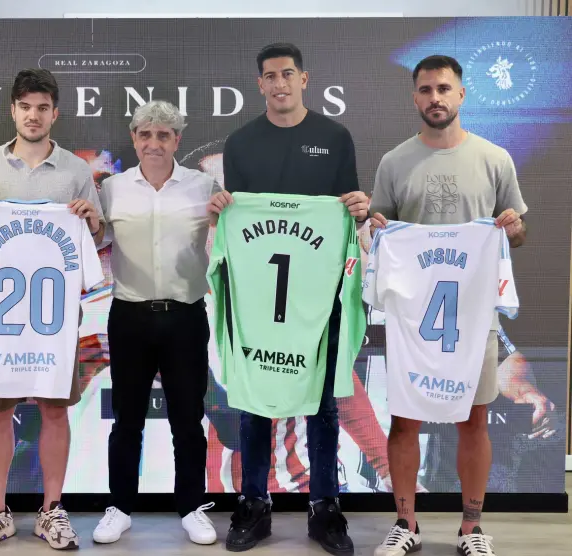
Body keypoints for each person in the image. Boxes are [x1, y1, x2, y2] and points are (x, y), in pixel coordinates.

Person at [206, 42, 369, 554]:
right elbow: (240, 220)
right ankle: (254, 504)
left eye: (287, 74)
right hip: (261, 296)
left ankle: (325, 508)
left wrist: (358, 208)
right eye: (270, 76)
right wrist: (223, 209)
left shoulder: (334, 137)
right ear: (260, 84)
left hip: (318, 295)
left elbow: (347, 214)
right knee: (255, 399)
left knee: (322, 403)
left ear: (304, 79)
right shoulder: (241, 142)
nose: (279, 83)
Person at [368, 54, 527, 556]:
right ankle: (406, 523)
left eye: (443, 88)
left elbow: (516, 234)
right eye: (425, 89)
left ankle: (471, 527)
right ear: (414, 96)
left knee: (473, 419)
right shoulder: (394, 162)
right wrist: (374, 227)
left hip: (474, 317)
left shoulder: (494, 159)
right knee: (404, 420)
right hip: (413, 320)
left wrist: (513, 229)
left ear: (461, 93)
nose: (434, 97)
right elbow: (379, 233)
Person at [0, 68, 105, 551]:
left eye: (42, 108)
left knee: (54, 410)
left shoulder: (75, 170)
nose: (33, 116)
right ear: (13, 110)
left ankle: (52, 509)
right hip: (0, 319)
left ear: (55, 113)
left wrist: (92, 220)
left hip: (55, 318)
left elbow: (96, 235)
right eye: (25, 107)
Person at [90, 100, 219, 546]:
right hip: (129, 316)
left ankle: (192, 507)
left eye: (164, 135)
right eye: (145, 135)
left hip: (185, 315)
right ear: (134, 139)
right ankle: (119, 507)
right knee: (127, 420)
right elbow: (96, 238)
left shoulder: (204, 186)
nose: (154, 143)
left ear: (177, 140)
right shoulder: (112, 189)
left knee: (188, 419)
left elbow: (227, 234)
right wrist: (86, 221)